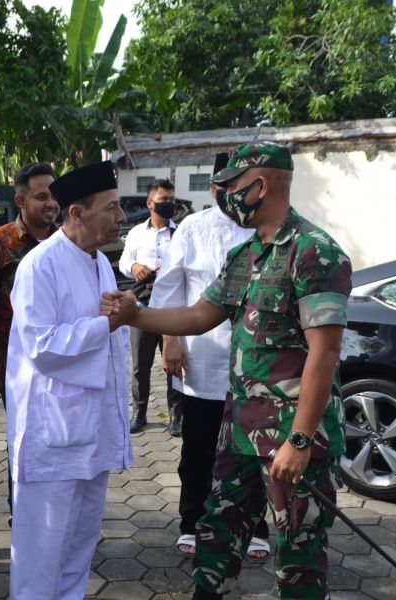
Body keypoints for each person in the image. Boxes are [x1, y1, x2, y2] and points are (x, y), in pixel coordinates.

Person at [101, 142, 352, 600]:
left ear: (259, 185)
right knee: (218, 528)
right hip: (240, 430)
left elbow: (325, 353)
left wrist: (299, 441)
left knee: (297, 546)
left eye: (231, 185)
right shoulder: (247, 255)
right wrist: (135, 315)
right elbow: (198, 316)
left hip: (292, 437)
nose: (224, 194)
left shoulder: (314, 252)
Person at [6, 160, 133, 599]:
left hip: (91, 428)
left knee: (80, 539)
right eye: (112, 208)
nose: (122, 218)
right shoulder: (40, 265)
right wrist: (108, 325)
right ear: (76, 213)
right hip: (52, 433)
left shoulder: (98, 261)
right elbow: (41, 345)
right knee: (42, 547)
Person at [151, 152, 270, 561]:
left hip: (257, 364)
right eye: (225, 186)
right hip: (201, 358)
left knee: (253, 449)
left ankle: (255, 526)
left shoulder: (269, 227)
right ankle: (192, 521)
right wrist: (170, 340)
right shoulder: (192, 228)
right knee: (199, 448)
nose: (233, 194)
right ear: (213, 187)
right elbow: (168, 289)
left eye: (241, 185)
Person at [0, 163, 59, 520]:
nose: (51, 203)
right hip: (15, 366)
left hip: (62, 363)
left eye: (54, 195)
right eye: (42, 196)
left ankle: (58, 512)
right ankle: (25, 516)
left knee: (61, 441)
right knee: (25, 443)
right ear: (20, 200)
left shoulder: (67, 240)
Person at [119, 177, 180, 434]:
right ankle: (139, 413)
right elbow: (124, 261)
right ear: (150, 203)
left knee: (174, 364)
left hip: (172, 306)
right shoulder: (135, 233)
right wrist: (135, 267)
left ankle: (177, 416)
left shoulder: (181, 233)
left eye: (171, 200)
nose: (168, 204)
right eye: (163, 200)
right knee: (140, 364)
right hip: (142, 304)